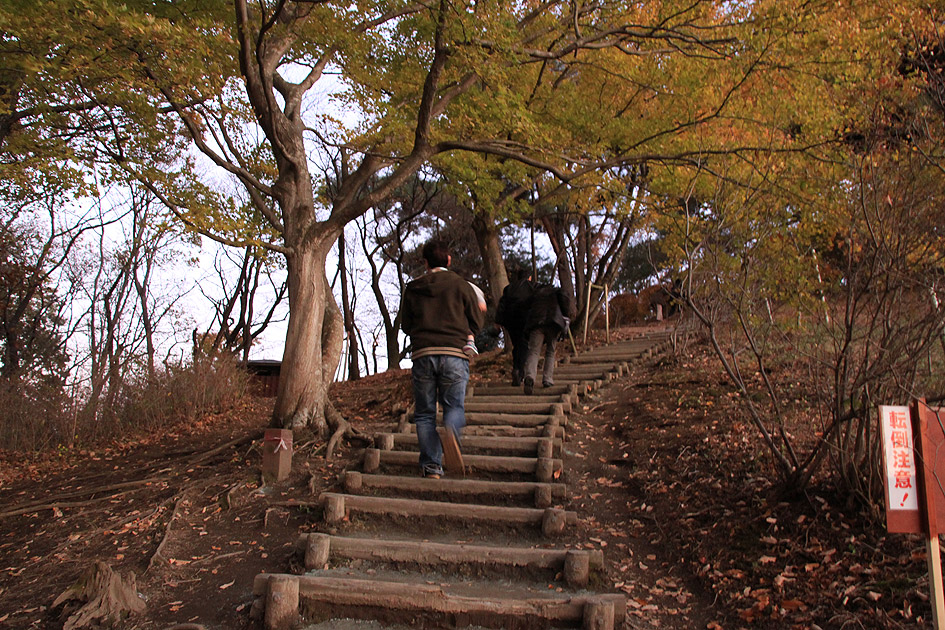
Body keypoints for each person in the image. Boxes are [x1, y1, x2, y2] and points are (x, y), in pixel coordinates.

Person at [401, 239, 484, 478]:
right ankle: (450, 429)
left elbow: (406, 325)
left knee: (425, 413)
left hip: (423, 354)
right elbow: (477, 322)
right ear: (449, 260)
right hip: (455, 354)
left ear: (425, 262)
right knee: (454, 407)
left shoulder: (413, 288)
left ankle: (432, 466)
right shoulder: (461, 285)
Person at [522, 283, 575, 394]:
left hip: (536, 324)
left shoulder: (535, 295)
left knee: (533, 351)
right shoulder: (556, 292)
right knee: (550, 352)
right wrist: (565, 318)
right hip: (553, 323)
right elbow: (565, 302)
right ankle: (547, 379)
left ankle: (530, 376)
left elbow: (526, 309)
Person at [494, 267, 535, 386]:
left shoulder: (509, 288)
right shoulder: (532, 287)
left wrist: (498, 321)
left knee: (517, 345)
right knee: (524, 346)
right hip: (525, 320)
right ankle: (519, 371)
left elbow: (502, 305)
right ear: (529, 277)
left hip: (511, 321)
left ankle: (517, 368)